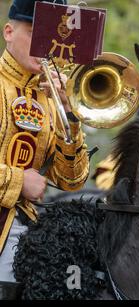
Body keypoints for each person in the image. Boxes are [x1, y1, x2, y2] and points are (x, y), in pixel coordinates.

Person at [0, 0, 90, 283]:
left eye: (49, 38)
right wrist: (18, 181)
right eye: (33, 32)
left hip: (23, 236)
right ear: (8, 32)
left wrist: (69, 113)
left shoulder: (50, 97)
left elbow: (72, 180)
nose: (44, 46)